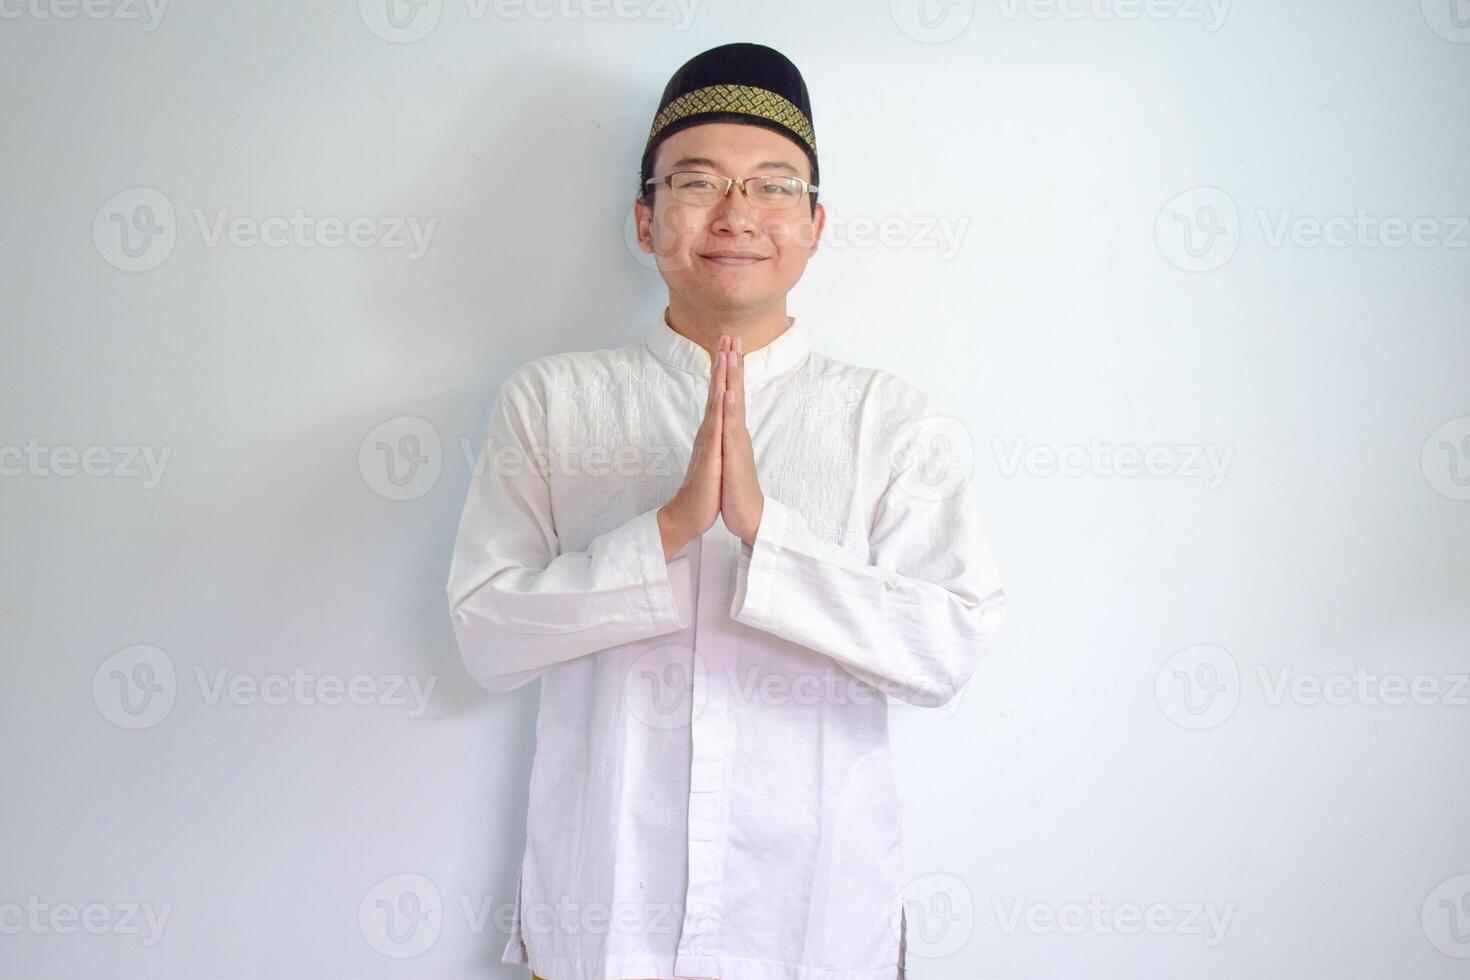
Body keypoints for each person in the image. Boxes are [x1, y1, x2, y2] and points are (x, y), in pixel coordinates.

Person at [446, 41, 1007, 980]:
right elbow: (486, 636)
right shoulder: (552, 401)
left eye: (774, 186)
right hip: (605, 920)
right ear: (644, 218)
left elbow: (947, 649)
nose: (737, 213)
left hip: (817, 926)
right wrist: (664, 533)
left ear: (816, 224)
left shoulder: (886, 417)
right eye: (697, 182)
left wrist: (765, 537)